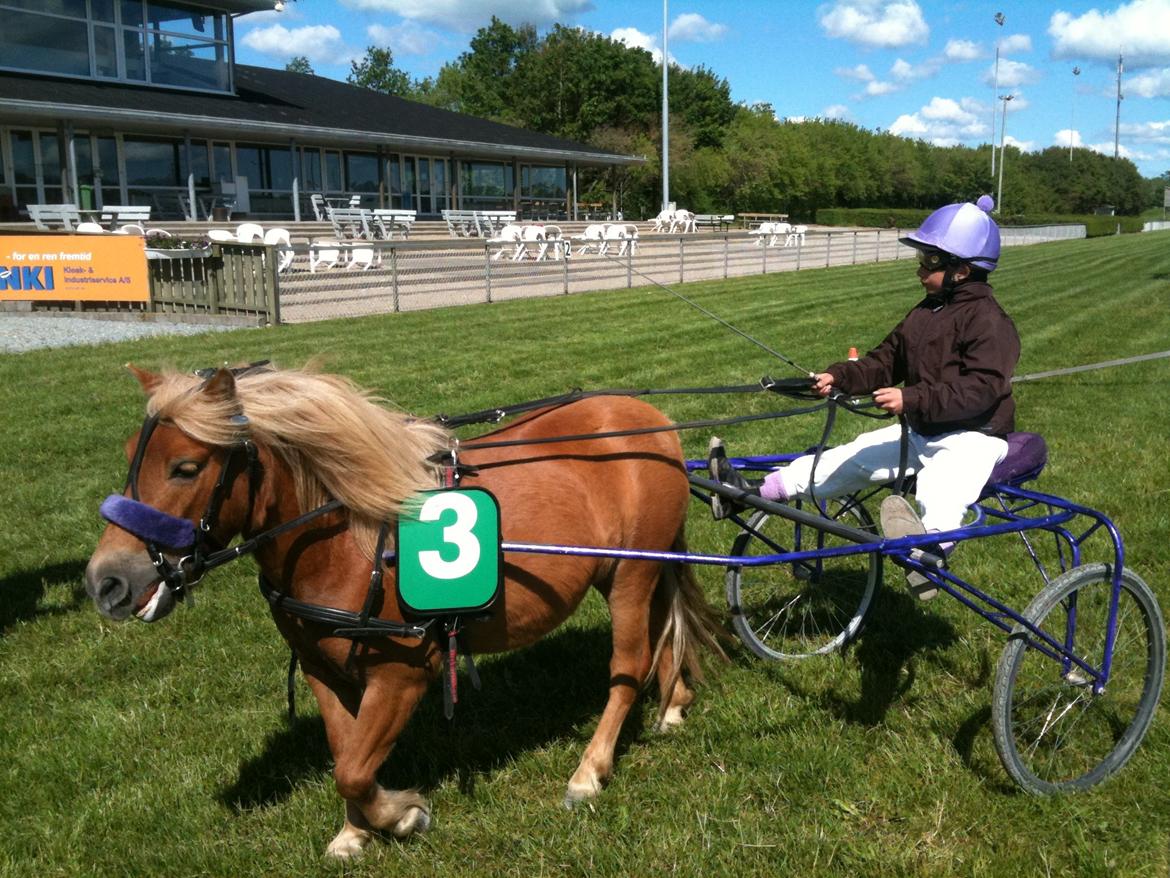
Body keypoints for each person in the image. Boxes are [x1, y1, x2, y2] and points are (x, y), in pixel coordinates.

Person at [708, 195, 1020, 598]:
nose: (920, 269)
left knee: (942, 488)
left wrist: (911, 399)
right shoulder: (925, 313)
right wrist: (838, 376)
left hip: (975, 437)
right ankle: (747, 494)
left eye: (929, 261)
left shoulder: (991, 322)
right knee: (842, 459)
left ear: (961, 270)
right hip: (921, 432)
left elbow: (982, 389)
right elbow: (883, 362)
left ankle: (931, 555)